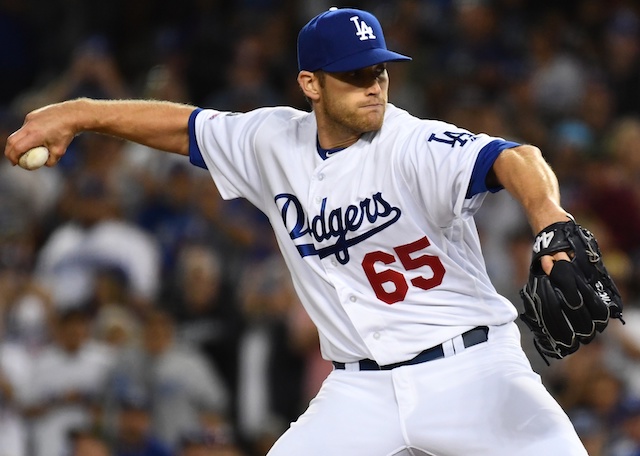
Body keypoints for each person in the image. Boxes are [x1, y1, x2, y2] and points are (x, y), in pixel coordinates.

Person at [5, 6, 599, 455]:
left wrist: (552, 220)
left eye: (381, 71)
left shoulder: (411, 143)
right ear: (311, 84)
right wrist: (79, 112)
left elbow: (514, 157)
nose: (375, 85)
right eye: (356, 74)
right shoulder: (273, 140)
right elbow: (183, 127)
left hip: (469, 368)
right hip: (358, 390)